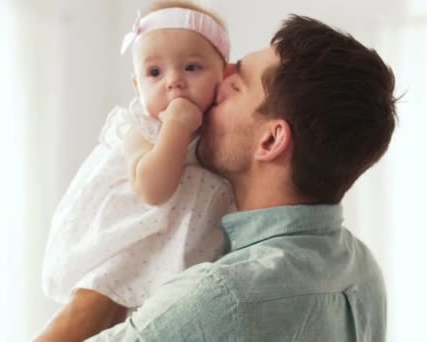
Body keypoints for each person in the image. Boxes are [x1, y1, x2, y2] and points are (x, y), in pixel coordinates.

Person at [87, 13, 397, 342]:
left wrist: (96, 297)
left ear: (270, 141)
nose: (214, 87)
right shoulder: (364, 273)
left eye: (234, 87)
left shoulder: (219, 297)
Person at [35, 1, 234, 341]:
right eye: (154, 73)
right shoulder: (142, 128)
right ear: (137, 85)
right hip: (127, 241)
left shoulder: (223, 128)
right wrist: (175, 127)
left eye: (191, 67)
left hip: (170, 259)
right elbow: (153, 189)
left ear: (225, 74)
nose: (173, 82)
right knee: (86, 314)